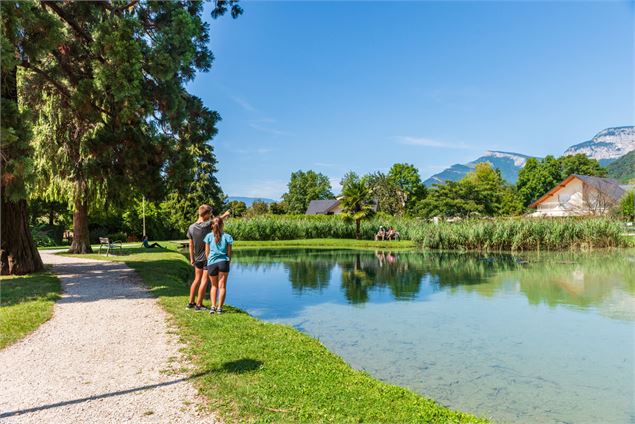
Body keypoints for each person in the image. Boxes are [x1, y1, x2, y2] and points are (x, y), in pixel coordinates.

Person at [186, 205, 230, 311]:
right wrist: (225, 214)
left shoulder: (191, 227)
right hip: (206, 258)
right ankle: (199, 304)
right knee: (204, 281)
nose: (211, 216)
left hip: (196, 258)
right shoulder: (206, 225)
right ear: (205, 214)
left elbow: (190, 245)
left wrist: (191, 258)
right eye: (210, 214)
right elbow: (218, 221)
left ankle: (191, 302)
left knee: (196, 279)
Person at [204, 216, 233, 314]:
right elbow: (229, 253)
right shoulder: (228, 237)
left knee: (213, 286)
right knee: (222, 286)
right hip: (223, 262)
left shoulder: (208, 236)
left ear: (212, 225)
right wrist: (227, 261)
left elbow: (206, 253)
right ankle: (219, 308)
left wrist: (209, 262)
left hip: (211, 262)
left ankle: (213, 306)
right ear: (222, 225)